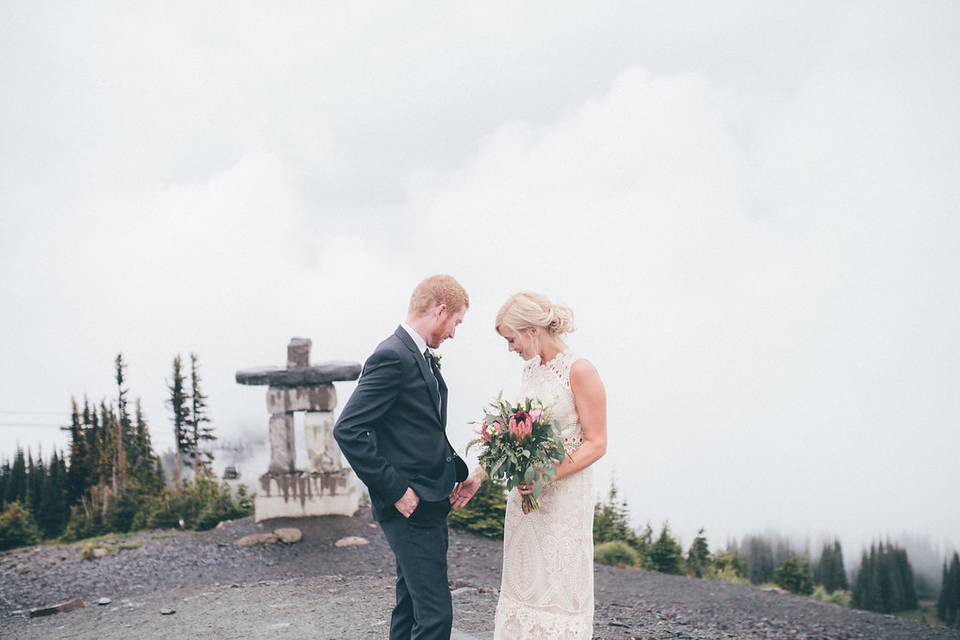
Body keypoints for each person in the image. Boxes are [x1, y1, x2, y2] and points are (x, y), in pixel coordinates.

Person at [451, 291, 607, 639]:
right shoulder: (530, 370)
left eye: (511, 339)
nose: (510, 348)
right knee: (525, 586)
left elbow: (596, 443)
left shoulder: (580, 370)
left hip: (564, 498)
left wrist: (544, 475)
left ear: (532, 330)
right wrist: (479, 474)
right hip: (525, 502)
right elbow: (514, 435)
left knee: (558, 586)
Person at [334, 275, 475, 640]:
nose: (454, 333)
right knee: (435, 617)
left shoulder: (417, 355)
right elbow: (348, 429)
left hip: (429, 498)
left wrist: (453, 470)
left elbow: (417, 428)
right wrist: (396, 490)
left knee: (411, 606)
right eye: (456, 322)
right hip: (410, 504)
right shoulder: (392, 356)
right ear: (440, 311)